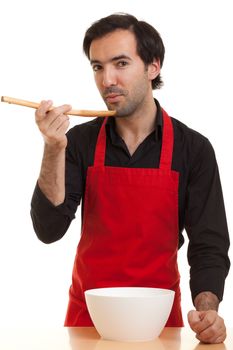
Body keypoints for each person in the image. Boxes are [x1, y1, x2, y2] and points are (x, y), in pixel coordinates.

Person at [31, 13, 230, 344]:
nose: (107, 79)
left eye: (120, 63)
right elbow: (48, 230)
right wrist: (53, 149)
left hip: (159, 323)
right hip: (88, 319)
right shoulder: (77, 143)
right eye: (97, 66)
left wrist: (207, 310)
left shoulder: (193, 149)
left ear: (153, 66)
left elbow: (209, 243)